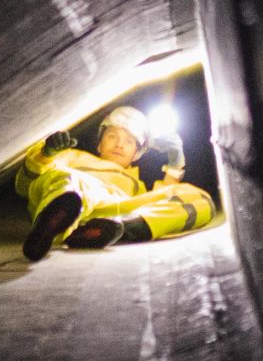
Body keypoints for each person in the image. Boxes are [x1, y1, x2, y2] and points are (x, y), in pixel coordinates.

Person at [15, 104, 218, 261]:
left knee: (199, 198)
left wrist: (175, 162)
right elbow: (25, 185)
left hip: (113, 209)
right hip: (70, 193)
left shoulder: (135, 184)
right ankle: (51, 227)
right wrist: (45, 153)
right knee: (66, 179)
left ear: (136, 154)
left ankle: (127, 229)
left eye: (129, 141)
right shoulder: (73, 157)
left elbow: (165, 197)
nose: (120, 144)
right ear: (99, 143)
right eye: (112, 136)